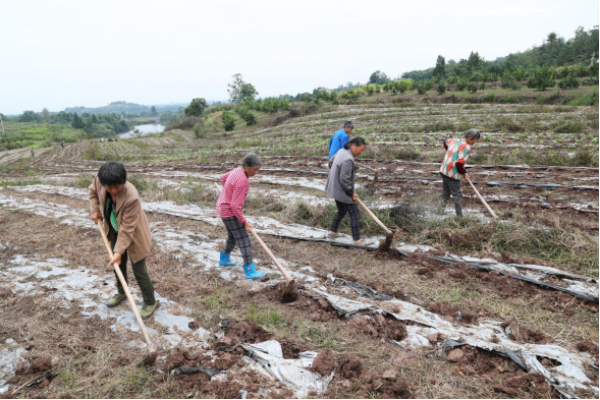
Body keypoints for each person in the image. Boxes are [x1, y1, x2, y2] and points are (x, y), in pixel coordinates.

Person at [89, 162, 159, 319]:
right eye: (109, 187)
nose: (113, 191)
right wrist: (95, 210)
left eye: (117, 187)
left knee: (139, 269)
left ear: (123, 182)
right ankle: (122, 292)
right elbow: (92, 192)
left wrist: (119, 251)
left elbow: (127, 229)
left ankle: (150, 301)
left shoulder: (131, 196)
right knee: (117, 266)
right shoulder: (100, 181)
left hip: (134, 234)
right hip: (114, 230)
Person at [217, 154, 266, 280]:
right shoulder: (242, 182)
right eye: (254, 169)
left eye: (257, 170)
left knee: (232, 236)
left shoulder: (236, 170)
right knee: (244, 240)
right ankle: (250, 270)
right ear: (246, 166)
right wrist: (244, 222)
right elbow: (234, 206)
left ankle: (224, 259)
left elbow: (224, 178)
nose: (255, 172)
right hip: (229, 212)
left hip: (222, 208)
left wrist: (227, 192)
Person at [326, 137, 368, 245]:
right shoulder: (348, 159)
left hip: (333, 188)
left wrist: (338, 170)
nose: (361, 152)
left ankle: (332, 232)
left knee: (342, 210)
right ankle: (357, 240)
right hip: (342, 191)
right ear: (353, 146)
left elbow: (330, 163)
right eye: (361, 149)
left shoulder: (341, 151)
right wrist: (351, 193)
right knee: (354, 213)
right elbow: (344, 180)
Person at [440, 129, 482, 217]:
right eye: (475, 139)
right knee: (457, 195)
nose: (475, 142)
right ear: (470, 137)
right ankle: (459, 216)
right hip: (452, 173)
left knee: (446, 193)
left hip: (444, 170)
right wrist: (465, 173)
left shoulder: (455, 140)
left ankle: (439, 211)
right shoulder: (466, 147)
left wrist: (450, 154)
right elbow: (459, 164)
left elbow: (445, 141)